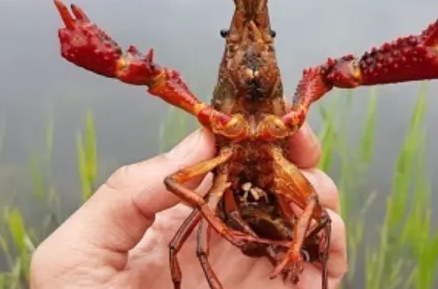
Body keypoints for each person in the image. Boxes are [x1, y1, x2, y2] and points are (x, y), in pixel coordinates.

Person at [29, 123, 347, 288]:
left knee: (318, 212)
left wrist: (296, 248)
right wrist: (215, 219)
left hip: (257, 192)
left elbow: (313, 209)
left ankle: (290, 249)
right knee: (190, 244)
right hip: (225, 197)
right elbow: (172, 182)